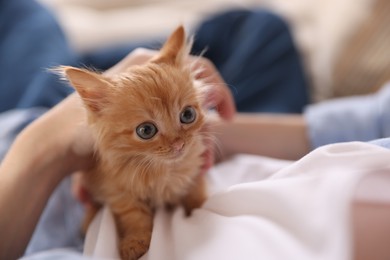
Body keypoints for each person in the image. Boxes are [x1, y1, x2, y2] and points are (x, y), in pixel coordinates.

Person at [0, 0, 389, 259]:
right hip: (226, 142)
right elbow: (374, 119)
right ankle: (120, 72)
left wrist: (42, 146)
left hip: (22, 148)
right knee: (260, 27)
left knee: (22, 13)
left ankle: (101, 72)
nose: (175, 142)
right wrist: (187, 112)